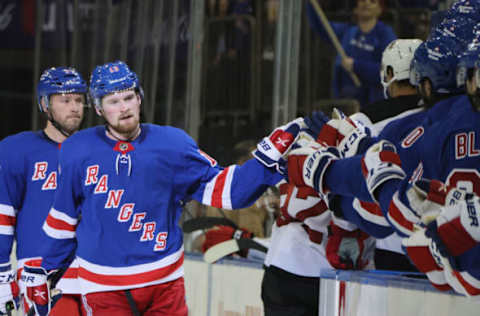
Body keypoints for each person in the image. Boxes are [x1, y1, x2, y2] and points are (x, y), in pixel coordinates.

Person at [21, 61, 304, 315]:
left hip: (163, 285)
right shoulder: (76, 150)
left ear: (140, 97)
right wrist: (43, 268)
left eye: (129, 97)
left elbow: (226, 191)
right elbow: (63, 218)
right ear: (98, 108)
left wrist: (265, 161)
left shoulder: (173, 145)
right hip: (103, 287)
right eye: (113, 101)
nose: (124, 108)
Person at [0, 67, 88, 316]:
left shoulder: (96, 151)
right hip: (39, 273)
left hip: (93, 269)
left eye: (79, 100)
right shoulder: (17, 150)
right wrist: (1, 274)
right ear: (44, 104)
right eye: (65, 100)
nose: (74, 107)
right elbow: (3, 214)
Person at [306, 0, 397, 108]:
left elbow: (388, 72)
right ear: (355, 7)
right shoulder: (347, 31)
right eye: (362, 0)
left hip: (373, 105)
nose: (366, 3)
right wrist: (310, 4)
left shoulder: (385, 34)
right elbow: (321, 26)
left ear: (380, 9)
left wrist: (356, 66)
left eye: (372, 1)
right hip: (344, 102)